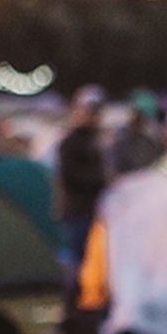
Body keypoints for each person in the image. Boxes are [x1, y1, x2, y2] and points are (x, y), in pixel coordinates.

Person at [54, 87, 109, 282]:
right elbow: (72, 176)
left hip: (92, 209)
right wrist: (102, 180)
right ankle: (74, 294)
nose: (94, 117)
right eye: (90, 112)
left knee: (90, 258)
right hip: (77, 210)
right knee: (78, 259)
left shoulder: (94, 141)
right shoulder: (71, 143)